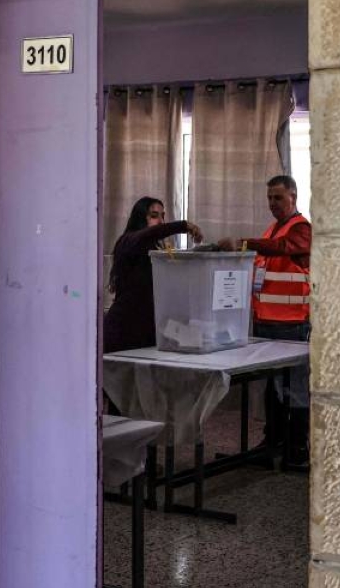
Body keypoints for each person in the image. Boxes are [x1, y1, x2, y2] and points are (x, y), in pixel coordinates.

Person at [219, 175, 311, 467]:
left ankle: (297, 448)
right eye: (270, 198)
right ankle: (273, 440)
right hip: (266, 322)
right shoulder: (272, 229)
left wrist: (244, 242)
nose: (272, 204)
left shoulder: (302, 229)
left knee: (294, 388)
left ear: (293, 197)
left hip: (293, 324)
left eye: (278, 198)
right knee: (271, 387)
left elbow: (285, 248)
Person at [104, 196, 202, 353]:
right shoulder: (128, 241)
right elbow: (148, 234)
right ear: (140, 218)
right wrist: (183, 226)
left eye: (162, 216)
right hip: (121, 330)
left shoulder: (156, 250)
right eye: (154, 216)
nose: (161, 221)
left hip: (144, 331)